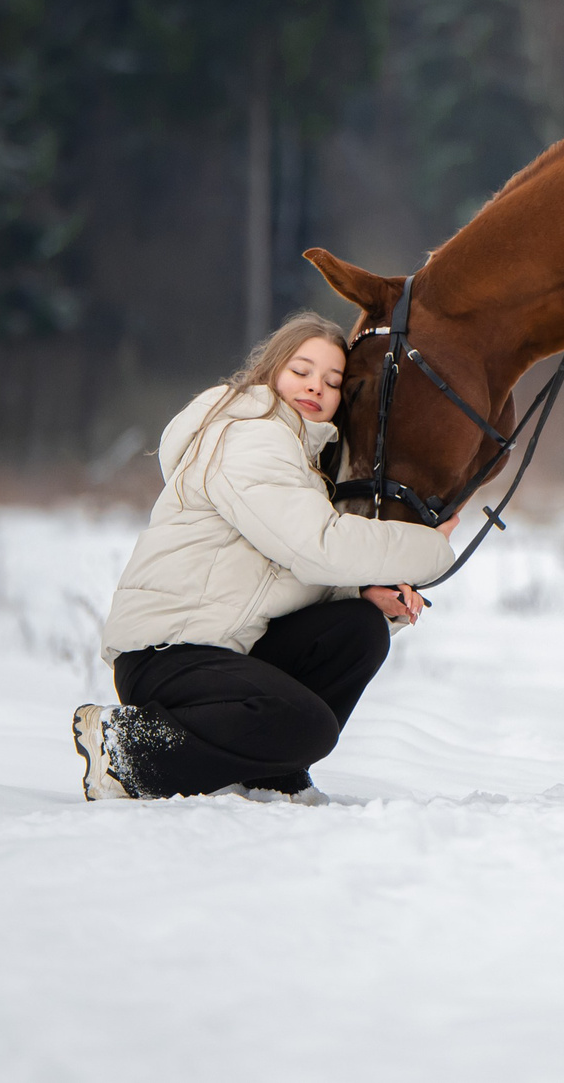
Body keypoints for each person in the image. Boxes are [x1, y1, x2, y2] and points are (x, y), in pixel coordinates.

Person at [71, 310, 457, 801]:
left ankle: (271, 774)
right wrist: (429, 546)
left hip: (225, 649)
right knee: (310, 726)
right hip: (169, 653)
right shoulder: (249, 435)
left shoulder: (300, 461)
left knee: (359, 629)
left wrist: (360, 593)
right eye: (302, 371)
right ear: (271, 371)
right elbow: (316, 547)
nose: (316, 387)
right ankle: (128, 751)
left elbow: (281, 570)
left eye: (332, 381)